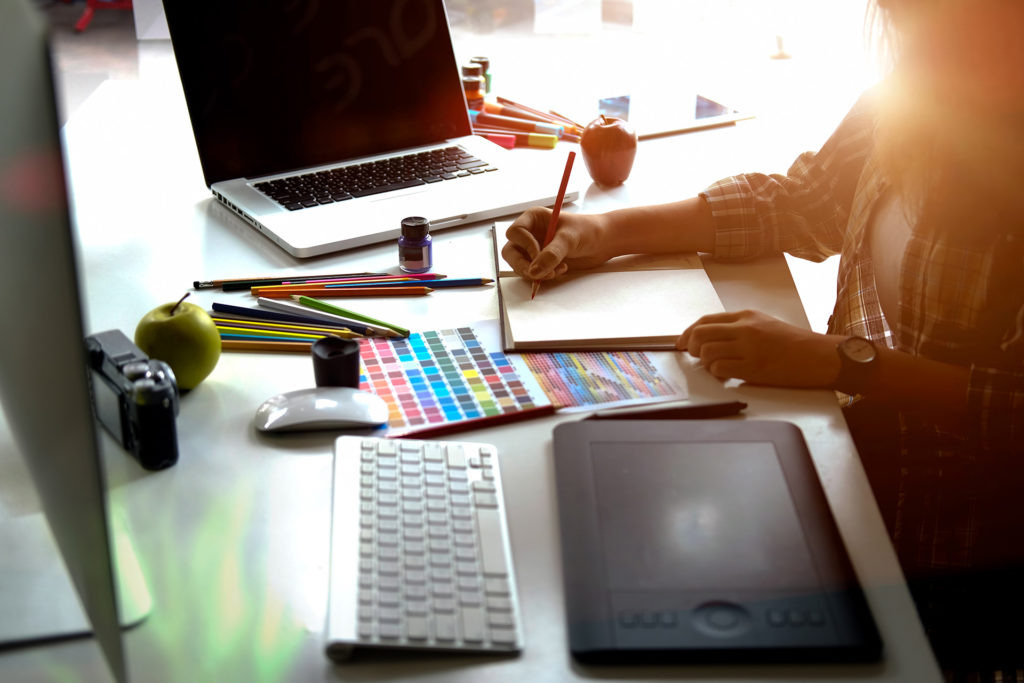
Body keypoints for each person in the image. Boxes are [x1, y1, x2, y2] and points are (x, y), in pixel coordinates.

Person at [502, 0, 1024, 677]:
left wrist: (842, 361)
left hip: (957, 554)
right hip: (859, 474)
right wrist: (597, 234)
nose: (906, 43)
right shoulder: (917, 92)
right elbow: (804, 202)